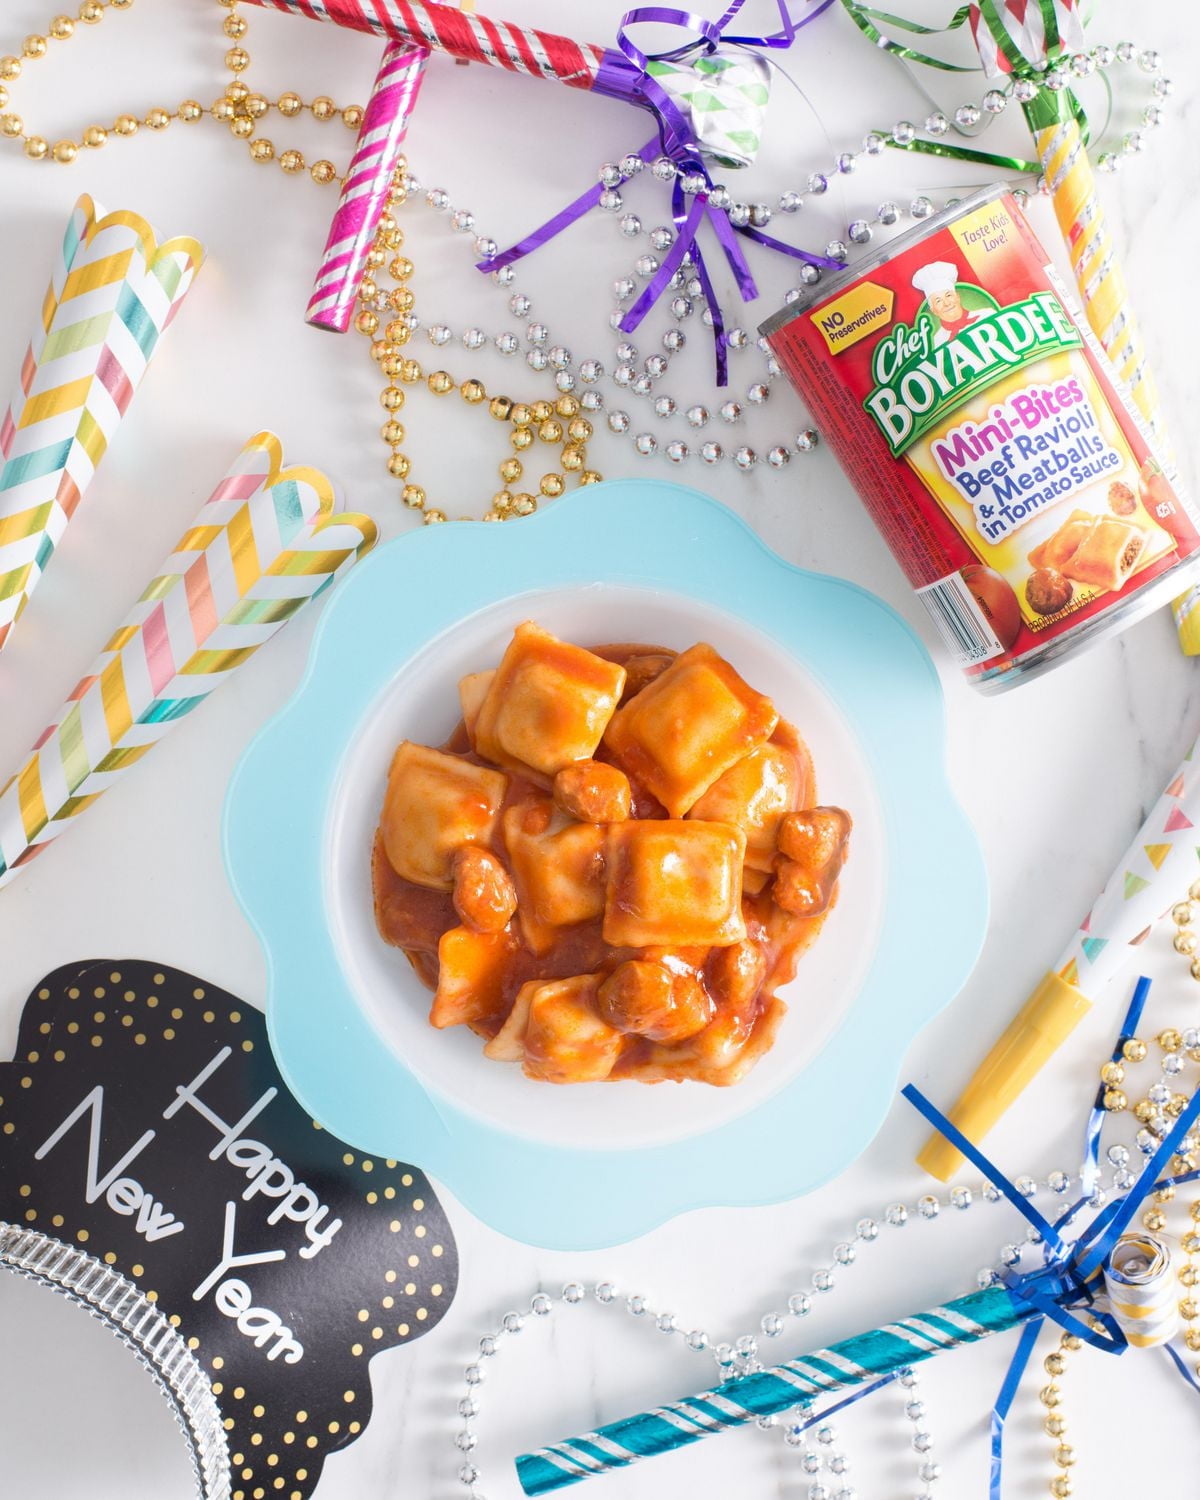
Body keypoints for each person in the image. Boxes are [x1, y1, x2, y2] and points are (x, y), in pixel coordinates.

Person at [911, 260, 983, 347]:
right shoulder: (937, 341)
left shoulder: (986, 314)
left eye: (948, 295)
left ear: (957, 297)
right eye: (938, 301)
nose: (946, 303)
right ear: (933, 310)